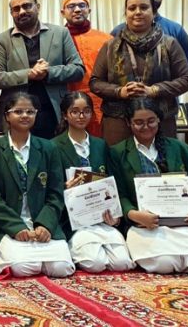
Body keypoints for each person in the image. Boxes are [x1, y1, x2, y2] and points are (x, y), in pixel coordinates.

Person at [109, 98, 188, 274]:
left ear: (159, 119)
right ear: (129, 123)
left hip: (185, 222)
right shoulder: (117, 152)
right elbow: (119, 194)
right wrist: (133, 214)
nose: (146, 127)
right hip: (145, 225)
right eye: (138, 122)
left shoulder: (180, 148)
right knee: (163, 263)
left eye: (151, 121)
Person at [0, 92, 75, 278]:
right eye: (18, 111)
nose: (25, 116)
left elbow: (56, 193)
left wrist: (46, 225)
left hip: (43, 225)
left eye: (30, 111)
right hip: (10, 226)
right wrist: (16, 227)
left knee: (62, 268)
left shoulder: (49, 148)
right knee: (24, 268)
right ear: (7, 115)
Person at [90, 0, 188, 146]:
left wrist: (154, 90)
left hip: (159, 120)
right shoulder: (110, 46)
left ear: (153, 12)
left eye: (144, 7)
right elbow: (95, 82)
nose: (137, 12)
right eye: (132, 8)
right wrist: (120, 91)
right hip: (118, 121)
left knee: (162, 166)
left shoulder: (169, 44)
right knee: (120, 167)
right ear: (126, 13)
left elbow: (186, 80)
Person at [52, 92, 135, 273]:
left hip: (103, 219)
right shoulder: (53, 146)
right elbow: (49, 188)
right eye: (75, 111)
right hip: (74, 220)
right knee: (95, 264)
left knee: (122, 264)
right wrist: (64, 188)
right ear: (65, 115)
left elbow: (113, 183)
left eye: (86, 111)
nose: (81, 116)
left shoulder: (101, 145)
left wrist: (116, 216)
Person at [0, 0, 84, 139]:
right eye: (16, 9)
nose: (22, 12)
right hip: (17, 116)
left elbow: (78, 69)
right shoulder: (2, 40)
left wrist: (48, 73)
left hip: (54, 114)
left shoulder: (60, 33)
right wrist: (28, 74)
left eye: (27, 6)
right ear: (11, 13)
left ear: (37, 7)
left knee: (53, 160)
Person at [111, 0, 188, 73]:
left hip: (166, 88)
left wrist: (158, 88)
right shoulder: (117, 32)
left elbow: (186, 74)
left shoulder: (176, 30)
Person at [60, 0, 112, 137]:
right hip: (66, 103)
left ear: (89, 10)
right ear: (63, 13)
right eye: (71, 6)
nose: (77, 9)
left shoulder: (106, 39)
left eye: (82, 5)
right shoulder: (55, 39)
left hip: (99, 104)